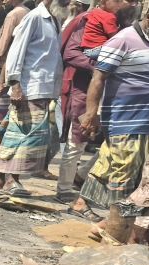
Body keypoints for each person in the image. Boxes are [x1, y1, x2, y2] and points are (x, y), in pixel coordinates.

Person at [70, 1, 149, 228]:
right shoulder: (123, 39)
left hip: (144, 120)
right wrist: (91, 114)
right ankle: (116, 227)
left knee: (119, 168)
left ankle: (87, 206)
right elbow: (98, 79)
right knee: (125, 175)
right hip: (124, 120)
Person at [0, 0, 70, 196]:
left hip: (44, 88)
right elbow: (16, 51)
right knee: (23, 136)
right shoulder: (34, 18)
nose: (68, 2)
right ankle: (10, 180)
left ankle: (0, 180)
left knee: (20, 135)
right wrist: (15, 85)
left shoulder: (54, 21)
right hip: (29, 88)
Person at [56, 2, 97, 201]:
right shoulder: (87, 21)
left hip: (112, 93)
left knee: (116, 143)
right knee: (76, 143)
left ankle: (81, 175)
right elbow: (71, 53)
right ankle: (64, 189)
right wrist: (100, 66)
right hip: (82, 90)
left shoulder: (123, 25)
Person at [0, 0, 29, 125]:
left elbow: (5, 39)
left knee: (1, 93)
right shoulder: (27, 12)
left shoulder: (12, 15)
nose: (4, 1)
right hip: (21, 61)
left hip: (6, 61)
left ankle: (0, 124)